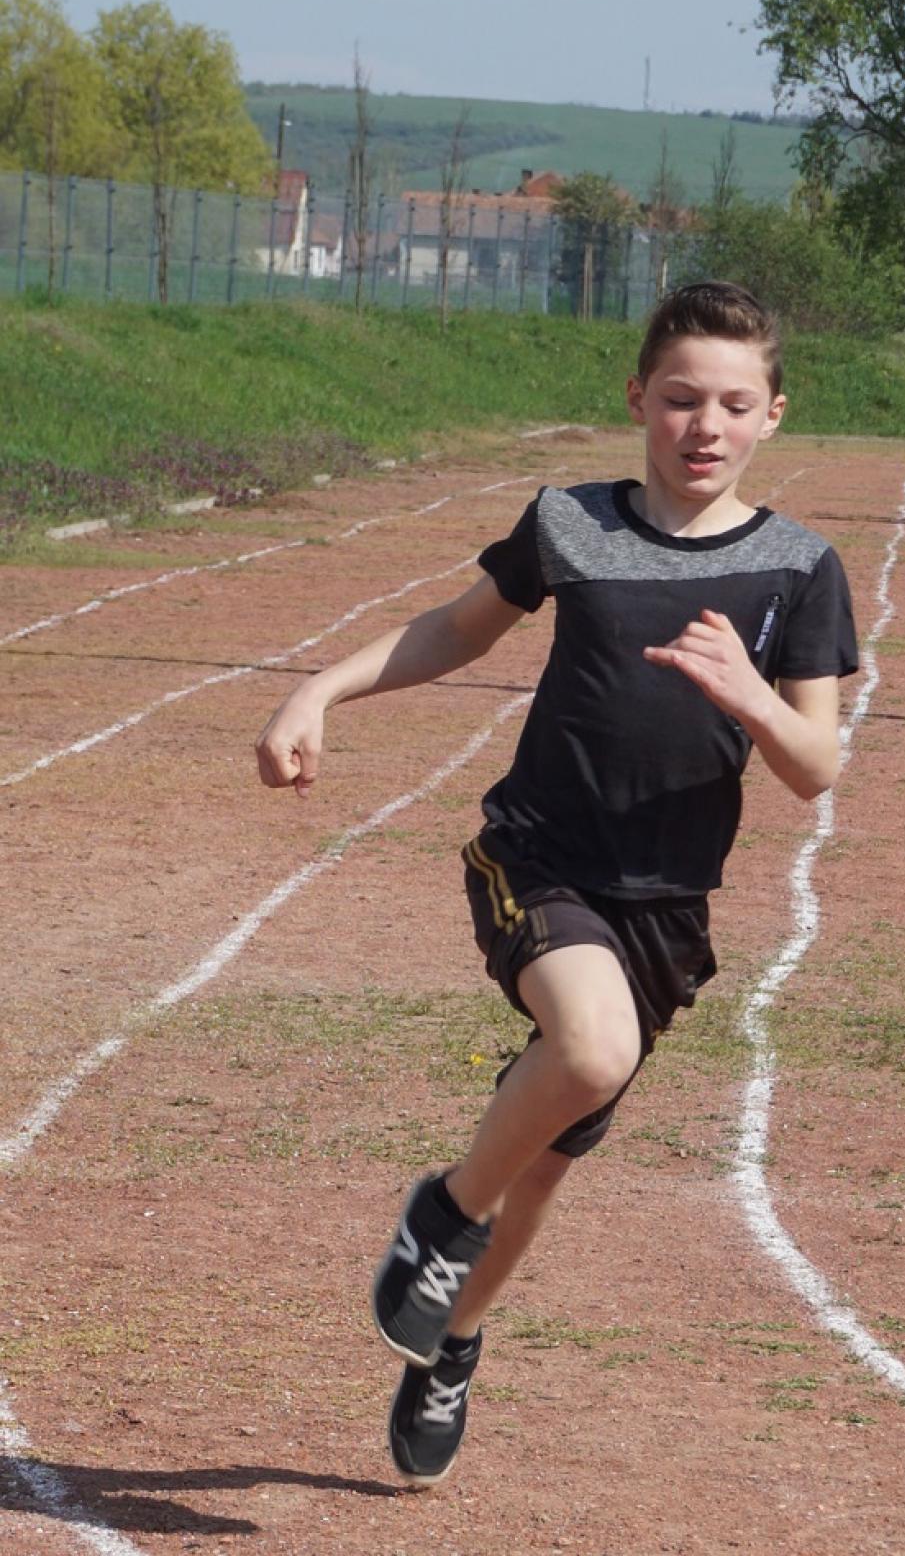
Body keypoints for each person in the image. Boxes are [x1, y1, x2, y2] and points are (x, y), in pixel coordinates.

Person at [255, 281, 860, 1489]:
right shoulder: (571, 524)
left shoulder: (800, 568)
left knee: (543, 1161)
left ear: (771, 415)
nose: (704, 424)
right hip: (538, 855)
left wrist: (748, 694)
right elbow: (455, 629)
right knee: (589, 1049)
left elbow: (815, 763)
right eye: (680, 397)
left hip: (666, 903)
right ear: (636, 398)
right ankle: (438, 1217)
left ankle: (451, 1341)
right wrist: (318, 689)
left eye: (733, 403)